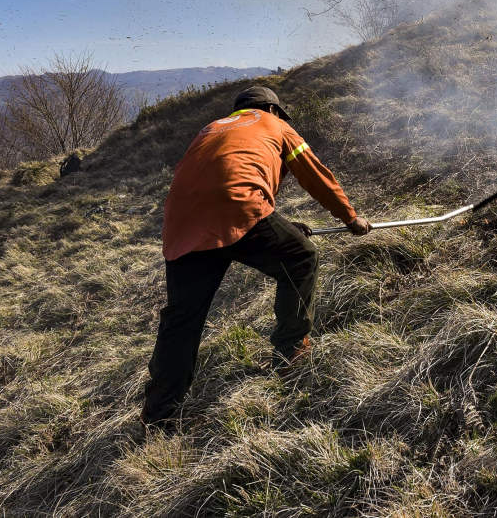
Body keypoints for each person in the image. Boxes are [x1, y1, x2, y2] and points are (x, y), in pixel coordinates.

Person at [141, 85, 370, 428]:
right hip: (238, 207)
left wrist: (281, 225)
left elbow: (227, 175)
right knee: (302, 257)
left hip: (181, 224)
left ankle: (159, 415)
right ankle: (291, 349)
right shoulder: (274, 125)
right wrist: (350, 217)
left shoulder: (211, 129)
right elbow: (315, 173)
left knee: (181, 321)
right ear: (273, 110)